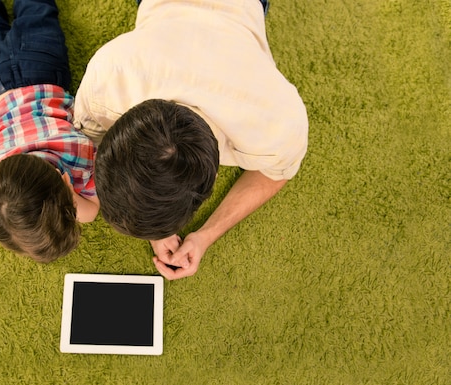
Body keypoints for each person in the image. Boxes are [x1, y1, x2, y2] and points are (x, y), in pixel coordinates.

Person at [73, 0, 308, 279]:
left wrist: (206, 234)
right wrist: (157, 217)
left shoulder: (279, 123)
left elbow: (274, 175)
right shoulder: (106, 76)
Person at [0, 0, 99, 263]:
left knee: (37, 8)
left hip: (45, 66)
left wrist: (69, 198)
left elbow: (91, 211)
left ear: (66, 183)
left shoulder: (78, 153)